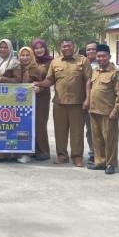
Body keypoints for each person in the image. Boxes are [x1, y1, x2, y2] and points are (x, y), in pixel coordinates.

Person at [33, 39, 92, 167]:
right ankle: (62, 156)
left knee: (77, 132)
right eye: (64, 46)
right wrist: (39, 84)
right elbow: (49, 80)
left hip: (77, 103)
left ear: (74, 46)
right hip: (59, 103)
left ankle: (77, 157)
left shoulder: (83, 61)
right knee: (60, 132)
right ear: (60, 48)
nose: (66, 48)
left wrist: (88, 99)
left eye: (69, 46)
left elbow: (88, 81)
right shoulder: (55, 62)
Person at [83, 44, 119, 174]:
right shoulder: (95, 71)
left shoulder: (116, 73)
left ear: (109, 57)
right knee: (97, 138)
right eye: (99, 56)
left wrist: (116, 110)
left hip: (108, 112)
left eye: (103, 56)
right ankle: (100, 162)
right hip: (94, 111)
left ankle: (111, 163)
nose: (101, 59)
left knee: (110, 139)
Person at [0, 39, 24, 162]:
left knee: (6, 125)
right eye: (1, 47)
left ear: (10, 49)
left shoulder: (15, 62)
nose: (2, 49)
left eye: (5, 47)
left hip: (8, 101)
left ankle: (6, 153)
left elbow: (17, 80)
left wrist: (1, 79)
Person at [30, 39, 53, 161]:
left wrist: (40, 87)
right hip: (29, 96)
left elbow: (50, 79)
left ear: (45, 48)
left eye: (41, 47)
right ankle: (33, 149)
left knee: (40, 124)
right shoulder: (30, 61)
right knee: (30, 123)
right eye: (36, 48)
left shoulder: (50, 62)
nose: (39, 50)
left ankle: (44, 151)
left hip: (42, 96)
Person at [83, 41, 99, 163]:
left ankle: (101, 154)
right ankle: (93, 152)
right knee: (89, 130)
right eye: (88, 49)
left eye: (93, 49)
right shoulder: (82, 63)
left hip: (99, 102)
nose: (91, 51)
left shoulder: (104, 64)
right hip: (82, 102)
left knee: (98, 129)